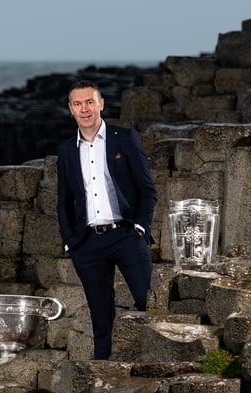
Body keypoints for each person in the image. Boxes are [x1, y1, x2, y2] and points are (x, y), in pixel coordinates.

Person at [55, 80, 157, 360]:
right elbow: (63, 201)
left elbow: (147, 189)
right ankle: (101, 377)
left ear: (101, 104)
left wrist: (140, 227)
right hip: (87, 244)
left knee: (149, 301)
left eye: (90, 102)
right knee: (101, 318)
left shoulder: (124, 138)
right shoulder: (66, 151)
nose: (84, 108)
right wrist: (69, 242)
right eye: (78, 104)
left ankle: (158, 366)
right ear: (70, 110)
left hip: (126, 235)